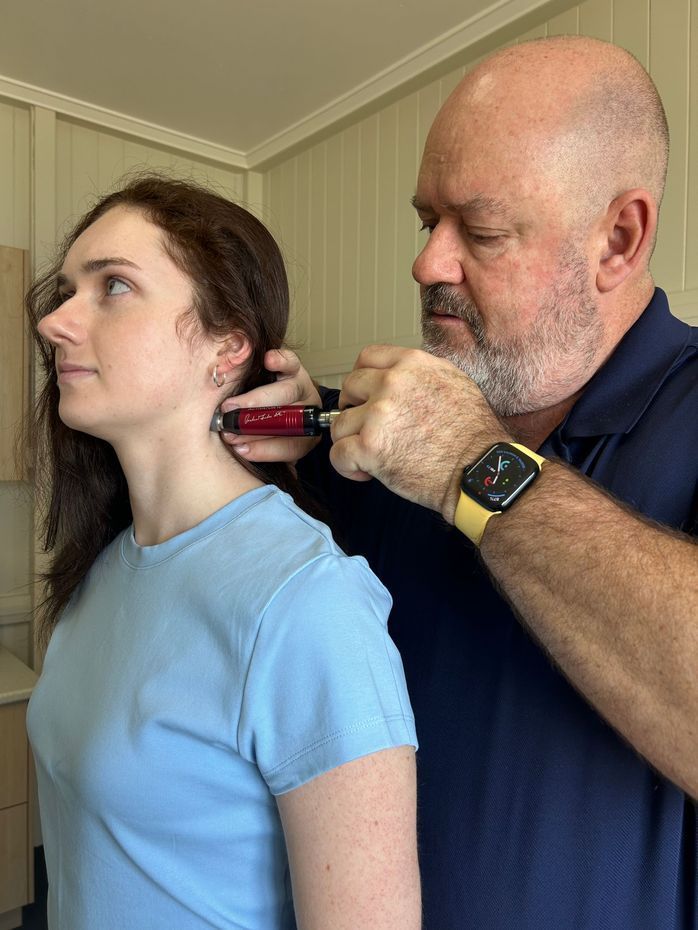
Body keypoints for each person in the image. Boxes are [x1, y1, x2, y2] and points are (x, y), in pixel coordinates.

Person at [223, 36, 698, 929]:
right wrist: (299, 417)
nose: (429, 265)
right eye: (426, 222)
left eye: (479, 231)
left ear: (619, 238)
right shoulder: (389, 435)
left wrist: (469, 469)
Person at [24, 176, 421, 930]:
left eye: (112, 286)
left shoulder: (307, 600)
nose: (56, 322)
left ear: (228, 344)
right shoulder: (102, 569)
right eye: (67, 289)